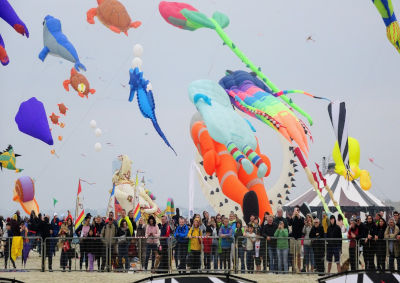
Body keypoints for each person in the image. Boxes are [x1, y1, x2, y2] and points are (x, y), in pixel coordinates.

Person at [288, 205, 304, 272]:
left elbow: (302, 224)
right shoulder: (293, 218)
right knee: (293, 255)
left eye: (297, 210)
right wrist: (293, 216)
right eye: (295, 210)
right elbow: (289, 224)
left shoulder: (301, 218)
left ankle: (299, 268)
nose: (296, 212)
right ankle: (293, 269)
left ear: (299, 211)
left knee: (299, 254)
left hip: (299, 238)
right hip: (293, 238)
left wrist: (298, 216)